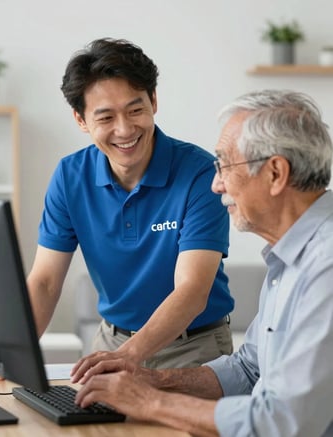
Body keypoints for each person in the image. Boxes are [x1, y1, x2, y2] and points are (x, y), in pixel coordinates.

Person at [72, 90, 333, 437]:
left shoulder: (325, 267)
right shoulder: (291, 258)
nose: (216, 184)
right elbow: (248, 369)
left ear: (275, 174)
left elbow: (284, 422)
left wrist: (150, 402)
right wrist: (155, 381)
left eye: (225, 165)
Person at [27, 37, 234, 369]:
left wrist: (127, 358)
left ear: (153, 101)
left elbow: (192, 290)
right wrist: (10, 358)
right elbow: (45, 282)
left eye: (135, 110)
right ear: (81, 120)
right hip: (112, 341)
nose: (124, 129)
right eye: (106, 117)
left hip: (194, 348)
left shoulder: (200, 173)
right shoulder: (69, 177)